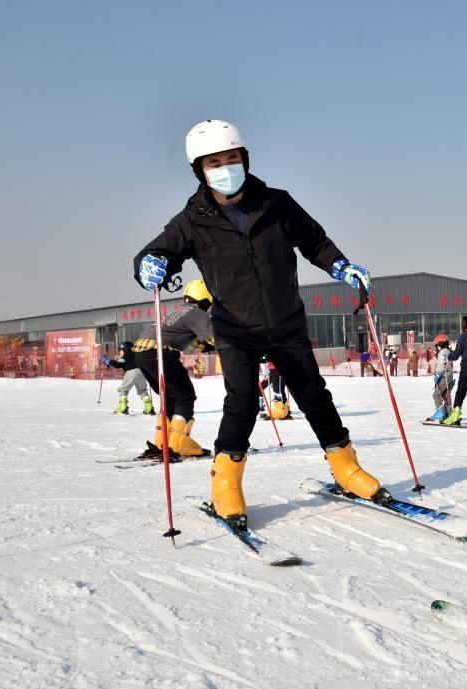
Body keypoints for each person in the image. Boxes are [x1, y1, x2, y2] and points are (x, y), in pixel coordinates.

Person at [134, 119, 386, 531]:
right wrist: (149, 263)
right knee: (242, 404)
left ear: (245, 159)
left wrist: (340, 265)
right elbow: (158, 251)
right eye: (215, 162)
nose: (225, 168)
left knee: (313, 395)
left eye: (232, 158)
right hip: (235, 327)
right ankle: (226, 482)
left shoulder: (277, 203)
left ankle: (346, 466)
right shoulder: (192, 219)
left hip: (285, 320)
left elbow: (314, 241)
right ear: (200, 169)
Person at [132, 279, 215, 458]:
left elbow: (194, 341)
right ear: (205, 299)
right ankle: (177, 445)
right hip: (160, 352)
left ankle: (161, 442)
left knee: (169, 396)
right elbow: (214, 338)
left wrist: (205, 346)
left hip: (142, 353)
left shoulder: (176, 311)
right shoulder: (196, 312)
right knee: (185, 395)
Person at [105, 341, 154, 415]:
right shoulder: (137, 356)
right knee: (142, 390)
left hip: (131, 372)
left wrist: (109, 361)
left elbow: (118, 365)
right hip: (141, 372)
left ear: (125, 350)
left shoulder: (125, 357)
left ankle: (123, 407)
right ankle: (149, 407)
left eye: (120, 351)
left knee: (123, 389)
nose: (120, 353)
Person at [427, 334, 454, 421]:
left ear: (440, 345)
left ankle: (440, 412)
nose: (436, 348)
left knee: (436, 394)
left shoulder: (443, 352)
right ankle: (447, 412)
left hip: (444, 376)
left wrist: (439, 374)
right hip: (449, 376)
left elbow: (443, 364)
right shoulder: (448, 351)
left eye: (437, 346)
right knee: (445, 395)